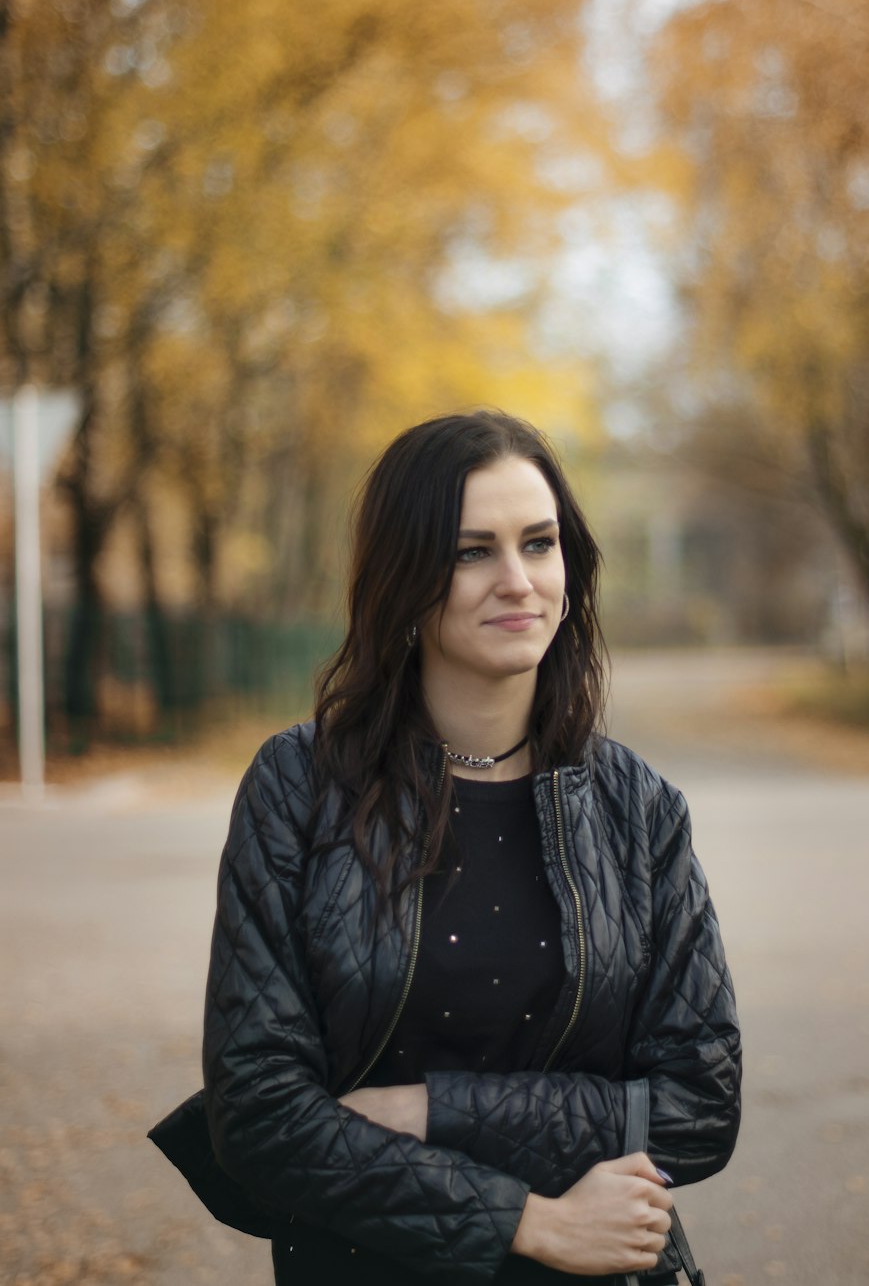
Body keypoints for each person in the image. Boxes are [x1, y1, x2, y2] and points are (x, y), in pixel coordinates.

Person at [196, 410, 741, 1284]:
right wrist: (527, 1222)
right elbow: (258, 1112)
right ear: (406, 576)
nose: (518, 581)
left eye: (539, 542)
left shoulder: (639, 808)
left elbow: (700, 1106)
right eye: (470, 551)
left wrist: (429, 1111)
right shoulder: (299, 787)